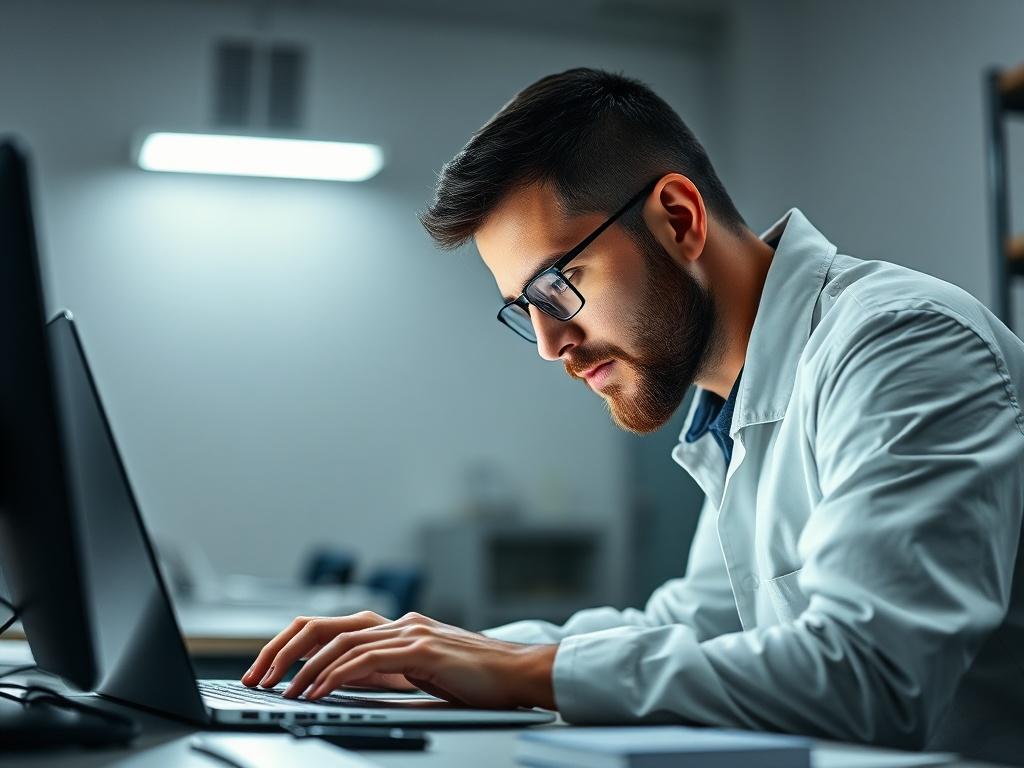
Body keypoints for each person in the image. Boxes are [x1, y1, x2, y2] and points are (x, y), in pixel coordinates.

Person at [242, 68, 1024, 762]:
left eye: (558, 284)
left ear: (678, 218)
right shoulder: (732, 403)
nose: (550, 345)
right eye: (524, 308)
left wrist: (522, 673)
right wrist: (444, 652)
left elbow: (873, 677)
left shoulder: (900, 343)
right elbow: (698, 627)